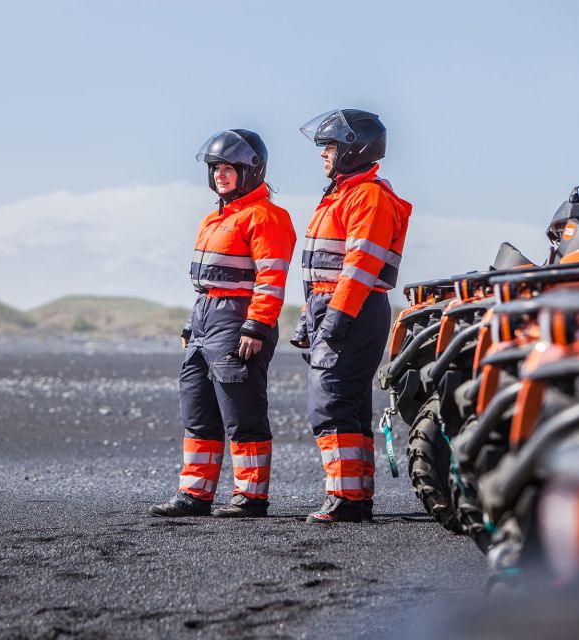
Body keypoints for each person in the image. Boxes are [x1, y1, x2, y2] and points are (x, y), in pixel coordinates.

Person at [149, 129, 296, 519]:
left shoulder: (267, 217)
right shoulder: (212, 219)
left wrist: (257, 327)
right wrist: (189, 324)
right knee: (198, 411)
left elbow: (271, 278)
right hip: (204, 320)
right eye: (215, 168)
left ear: (251, 170)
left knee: (242, 412)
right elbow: (208, 282)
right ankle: (194, 495)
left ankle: (250, 497)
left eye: (229, 168)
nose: (220, 175)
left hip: (238, 319)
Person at [292, 109, 412, 523]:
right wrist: (308, 317)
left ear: (352, 148)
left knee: (330, 402)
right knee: (349, 403)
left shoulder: (367, 196)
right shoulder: (342, 194)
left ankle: (345, 499)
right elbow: (320, 270)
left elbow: (359, 267)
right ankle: (354, 496)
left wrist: (337, 320)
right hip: (337, 306)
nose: (324, 154)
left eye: (329, 146)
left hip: (354, 308)